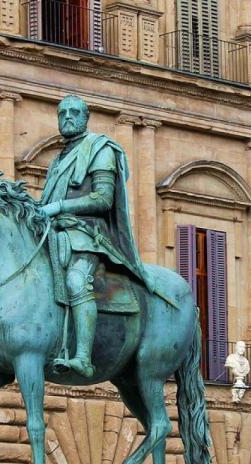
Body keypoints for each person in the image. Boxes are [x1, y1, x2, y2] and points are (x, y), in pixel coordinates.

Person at [38, 95, 162, 377]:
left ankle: (83, 357)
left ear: (85, 117)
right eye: (62, 113)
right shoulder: (58, 160)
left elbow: (103, 199)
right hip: (55, 235)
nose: (67, 117)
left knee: (76, 280)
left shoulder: (100, 149)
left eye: (74, 112)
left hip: (87, 237)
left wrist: (59, 207)